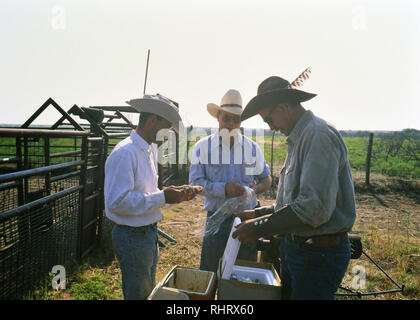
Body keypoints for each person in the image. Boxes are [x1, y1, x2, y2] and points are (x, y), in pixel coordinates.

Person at [232, 76, 356, 300]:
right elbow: (291, 205)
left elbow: (312, 208)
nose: (270, 127)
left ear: (283, 106)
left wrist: (258, 228)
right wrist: (258, 214)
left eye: (269, 119)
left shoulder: (317, 136)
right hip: (298, 249)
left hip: (319, 255)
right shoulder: (299, 138)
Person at [105, 94, 199, 300]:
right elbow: (117, 203)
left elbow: (145, 193)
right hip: (132, 236)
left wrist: (173, 194)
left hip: (146, 233)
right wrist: (164, 197)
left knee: (146, 291)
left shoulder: (147, 151)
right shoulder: (125, 153)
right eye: (167, 126)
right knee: (138, 293)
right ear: (153, 120)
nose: (168, 134)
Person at [189, 89, 271, 273]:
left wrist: (254, 189)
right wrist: (224, 188)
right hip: (216, 219)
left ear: (241, 121)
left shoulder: (252, 148)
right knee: (212, 272)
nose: (231, 124)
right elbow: (196, 183)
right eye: (226, 118)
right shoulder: (203, 148)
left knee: (242, 273)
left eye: (236, 119)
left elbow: (266, 180)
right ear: (218, 117)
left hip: (245, 220)